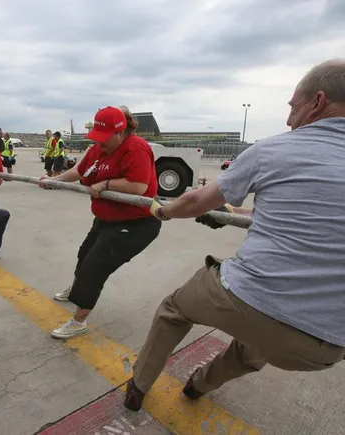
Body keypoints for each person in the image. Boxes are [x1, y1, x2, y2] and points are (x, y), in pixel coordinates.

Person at [123, 59, 345, 412]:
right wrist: (230, 215)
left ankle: (139, 384)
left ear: (318, 102)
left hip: (248, 297)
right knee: (254, 349)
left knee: (174, 309)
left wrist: (161, 210)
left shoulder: (274, 149)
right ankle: (198, 386)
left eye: (293, 107)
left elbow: (195, 201)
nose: (289, 120)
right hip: (325, 346)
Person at [38, 106, 161, 339]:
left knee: (95, 266)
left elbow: (138, 186)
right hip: (106, 218)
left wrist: (105, 184)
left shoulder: (136, 148)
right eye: (97, 138)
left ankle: (79, 321)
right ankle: (75, 289)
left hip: (137, 223)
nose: (100, 143)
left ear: (120, 132)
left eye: (104, 139)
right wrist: (54, 180)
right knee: (84, 255)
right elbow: (79, 171)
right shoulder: (98, 149)